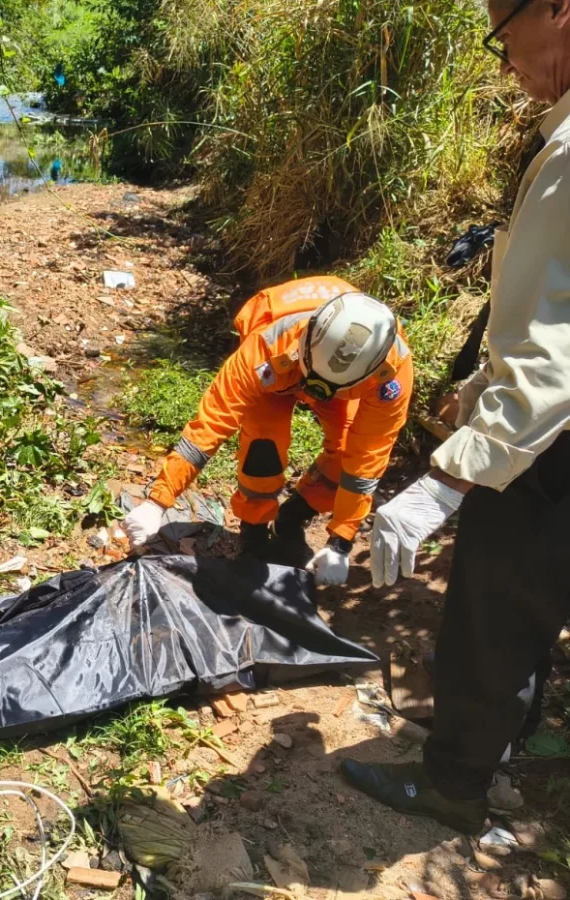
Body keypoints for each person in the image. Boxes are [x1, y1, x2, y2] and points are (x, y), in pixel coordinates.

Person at [341, 0, 570, 834]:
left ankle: (454, 785)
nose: (502, 56)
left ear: (556, 10)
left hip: (553, 443)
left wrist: (445, 479)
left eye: (505, 34)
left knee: (492, 604)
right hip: (547, 424)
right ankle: (505, 739)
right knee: (538, 597)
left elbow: (555, 356)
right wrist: (477, 389)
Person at [121, 276, 413, 585]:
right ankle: (255, 529)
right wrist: (158, 501)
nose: (313, 392)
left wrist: (341, 541)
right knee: (263, 443)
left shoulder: (389, 379)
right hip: (281, 369)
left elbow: (366, 463)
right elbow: (210, 426)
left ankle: (292, 518)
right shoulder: (267, 342)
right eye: (313, 379)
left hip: (344, 387)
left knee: (344, 454)